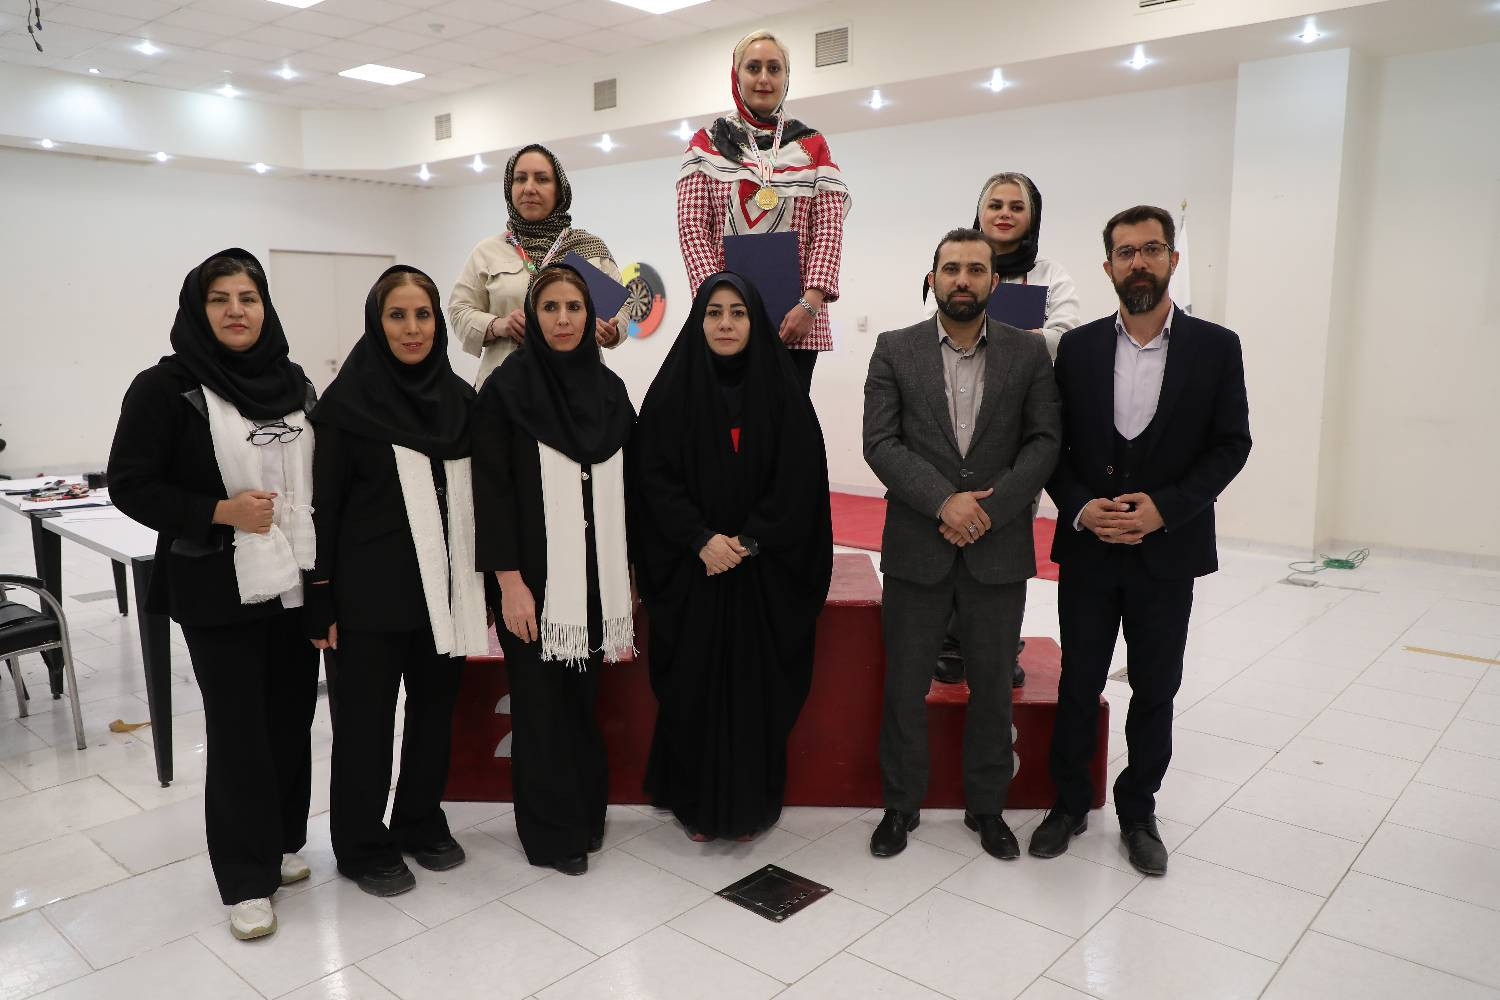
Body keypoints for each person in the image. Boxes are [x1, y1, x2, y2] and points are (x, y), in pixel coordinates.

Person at [1030, 205, 1251, 876]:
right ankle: (1070, 802)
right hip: (1091, 551)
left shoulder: (1216, 347)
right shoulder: (1078, 349)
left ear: (1172, 260)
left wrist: (1167, 509)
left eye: (1151, 250)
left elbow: (1231, 445)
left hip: (1168, 552)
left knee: (1156, 686)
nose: (1139, 263)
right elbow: (1053, 447)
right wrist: (1077, 508)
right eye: (1125, 253)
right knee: (1078, 681)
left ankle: (1137, 809)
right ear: (1108, 267)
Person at [108, 249, 319, 941]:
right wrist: (220, 512)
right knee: (238, 732)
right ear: (198, 311)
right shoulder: (164, 388)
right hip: (216, 586)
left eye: (248, 298)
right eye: (220, 299)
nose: (236, 311)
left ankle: (281, 843)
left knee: (289, 719)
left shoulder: (293, 382)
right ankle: (244, 877)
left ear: (266, 308)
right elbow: (130, 484)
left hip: (291, 581)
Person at [863, 229, 1061, 861]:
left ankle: (987, 808)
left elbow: (1045, 442)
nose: (963, 280)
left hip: (996, 550)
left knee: (993, 689)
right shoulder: (895, 349)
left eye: (976, 269)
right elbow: (880, 442)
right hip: (917, 545)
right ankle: (900, 805)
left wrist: (987, 511)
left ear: (994, 282)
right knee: (904, 688)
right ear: (933, 278)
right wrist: (943, 501)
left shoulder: (1028, 353)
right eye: (951, 269)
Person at [305, 265, 486, 897]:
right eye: (397, 315)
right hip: (367, 600)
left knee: (435, 716)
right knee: (365, 727)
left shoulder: (460, 402)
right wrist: (320, 597)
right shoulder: (344, 407)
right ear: (376, 323)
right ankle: (360, 844)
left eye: (423, 315)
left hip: (446, 595)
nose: (412, 329)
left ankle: (419, 820)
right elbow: (323, 509)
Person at [633, 273, 832, 842]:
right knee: (690, 687)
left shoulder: (783, 393)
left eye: (738, 313)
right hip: (692, 570)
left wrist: (748, 541)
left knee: (755, 692)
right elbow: (653, 477)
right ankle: (693, 804)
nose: (725, 323)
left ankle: (750, 807)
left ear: (755, 322)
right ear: (699, 321)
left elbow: (799, 480)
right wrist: (699, 538)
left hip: (761, 574)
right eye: (714, 312)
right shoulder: (671, 392)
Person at [473, 265, 636, 876]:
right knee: (540, 711)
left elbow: (629, 490)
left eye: (574, 307)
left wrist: (627, 573)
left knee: (581, 702)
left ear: (589, 316)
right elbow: (491, 494)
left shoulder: (609, 389)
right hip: (532, 584)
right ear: (532, 317)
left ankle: (585, 815)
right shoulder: (506, 391)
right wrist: (509, 583)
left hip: (594, 578)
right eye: (550, 308)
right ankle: (549, 833)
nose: (563, 320)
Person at [930, 172, 1081, 688]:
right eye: (995, 204)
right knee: (951, 536)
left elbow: (1066, 335)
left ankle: (999, 643)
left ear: (1032, 216)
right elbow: (935, 332)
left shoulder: (1050, 274)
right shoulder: (954, 266)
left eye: (1017, 206)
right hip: (955, 425)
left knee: (1007, 539)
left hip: (1018, 427)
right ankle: (951, 641)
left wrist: (1003, 337)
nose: (1005, 213)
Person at [676, 28, 851, 394]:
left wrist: (810, 304)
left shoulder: (813, 145)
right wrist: (722, 309)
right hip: (726, 325)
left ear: (786, 77)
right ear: (737, 75)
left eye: (774, 68)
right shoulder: (705, 145)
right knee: (729, 419)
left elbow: (828, 229)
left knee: (788, 420)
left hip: (798, 321)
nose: (764, 78)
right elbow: (693, 231)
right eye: (753, 67)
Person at [450, 143, 627, 388]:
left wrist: (611, 332)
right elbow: (459, 311)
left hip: (578, 388)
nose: (529, 188)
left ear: (559, 190)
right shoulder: (487, 252)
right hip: (506, 391)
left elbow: (621, 310)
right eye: (520, 179)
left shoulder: (590, 249)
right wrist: (498, 325)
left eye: (542, 179)